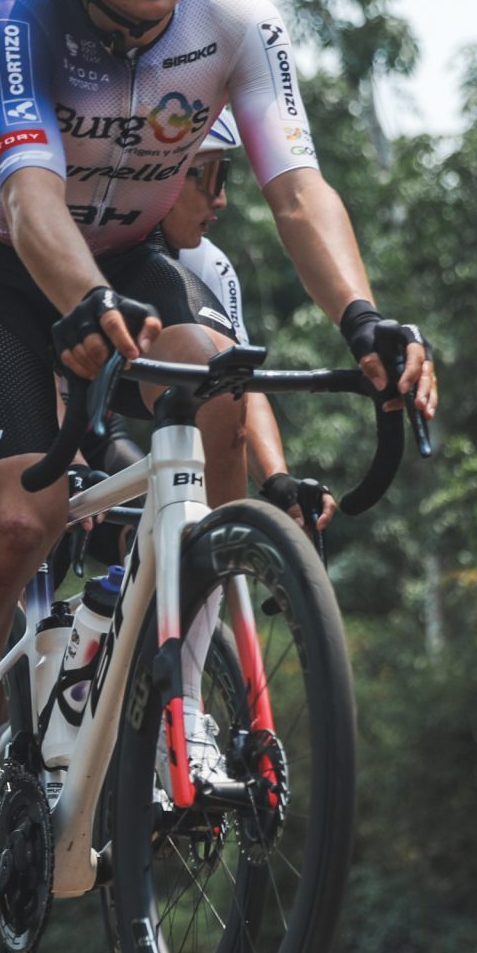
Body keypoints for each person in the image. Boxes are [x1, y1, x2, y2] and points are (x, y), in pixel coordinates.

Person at [0, 0, 434, 928]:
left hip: (128, 257)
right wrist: (79, 301)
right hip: (0, 261)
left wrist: (363, 319)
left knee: (219, 381)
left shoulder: (234, 20)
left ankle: (181, 702)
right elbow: (29, 199)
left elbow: (297, 190)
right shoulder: (14, 16)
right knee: (17, 523)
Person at [144, 111, 336, 782]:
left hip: (163, 431)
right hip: (83, 423)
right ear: (164, 175)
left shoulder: (211, 265)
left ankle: (181, 709)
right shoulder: (96, 235)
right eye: (211, 177)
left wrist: (277, 480)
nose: (223, 200)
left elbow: (240, 384)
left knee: (201, 518)